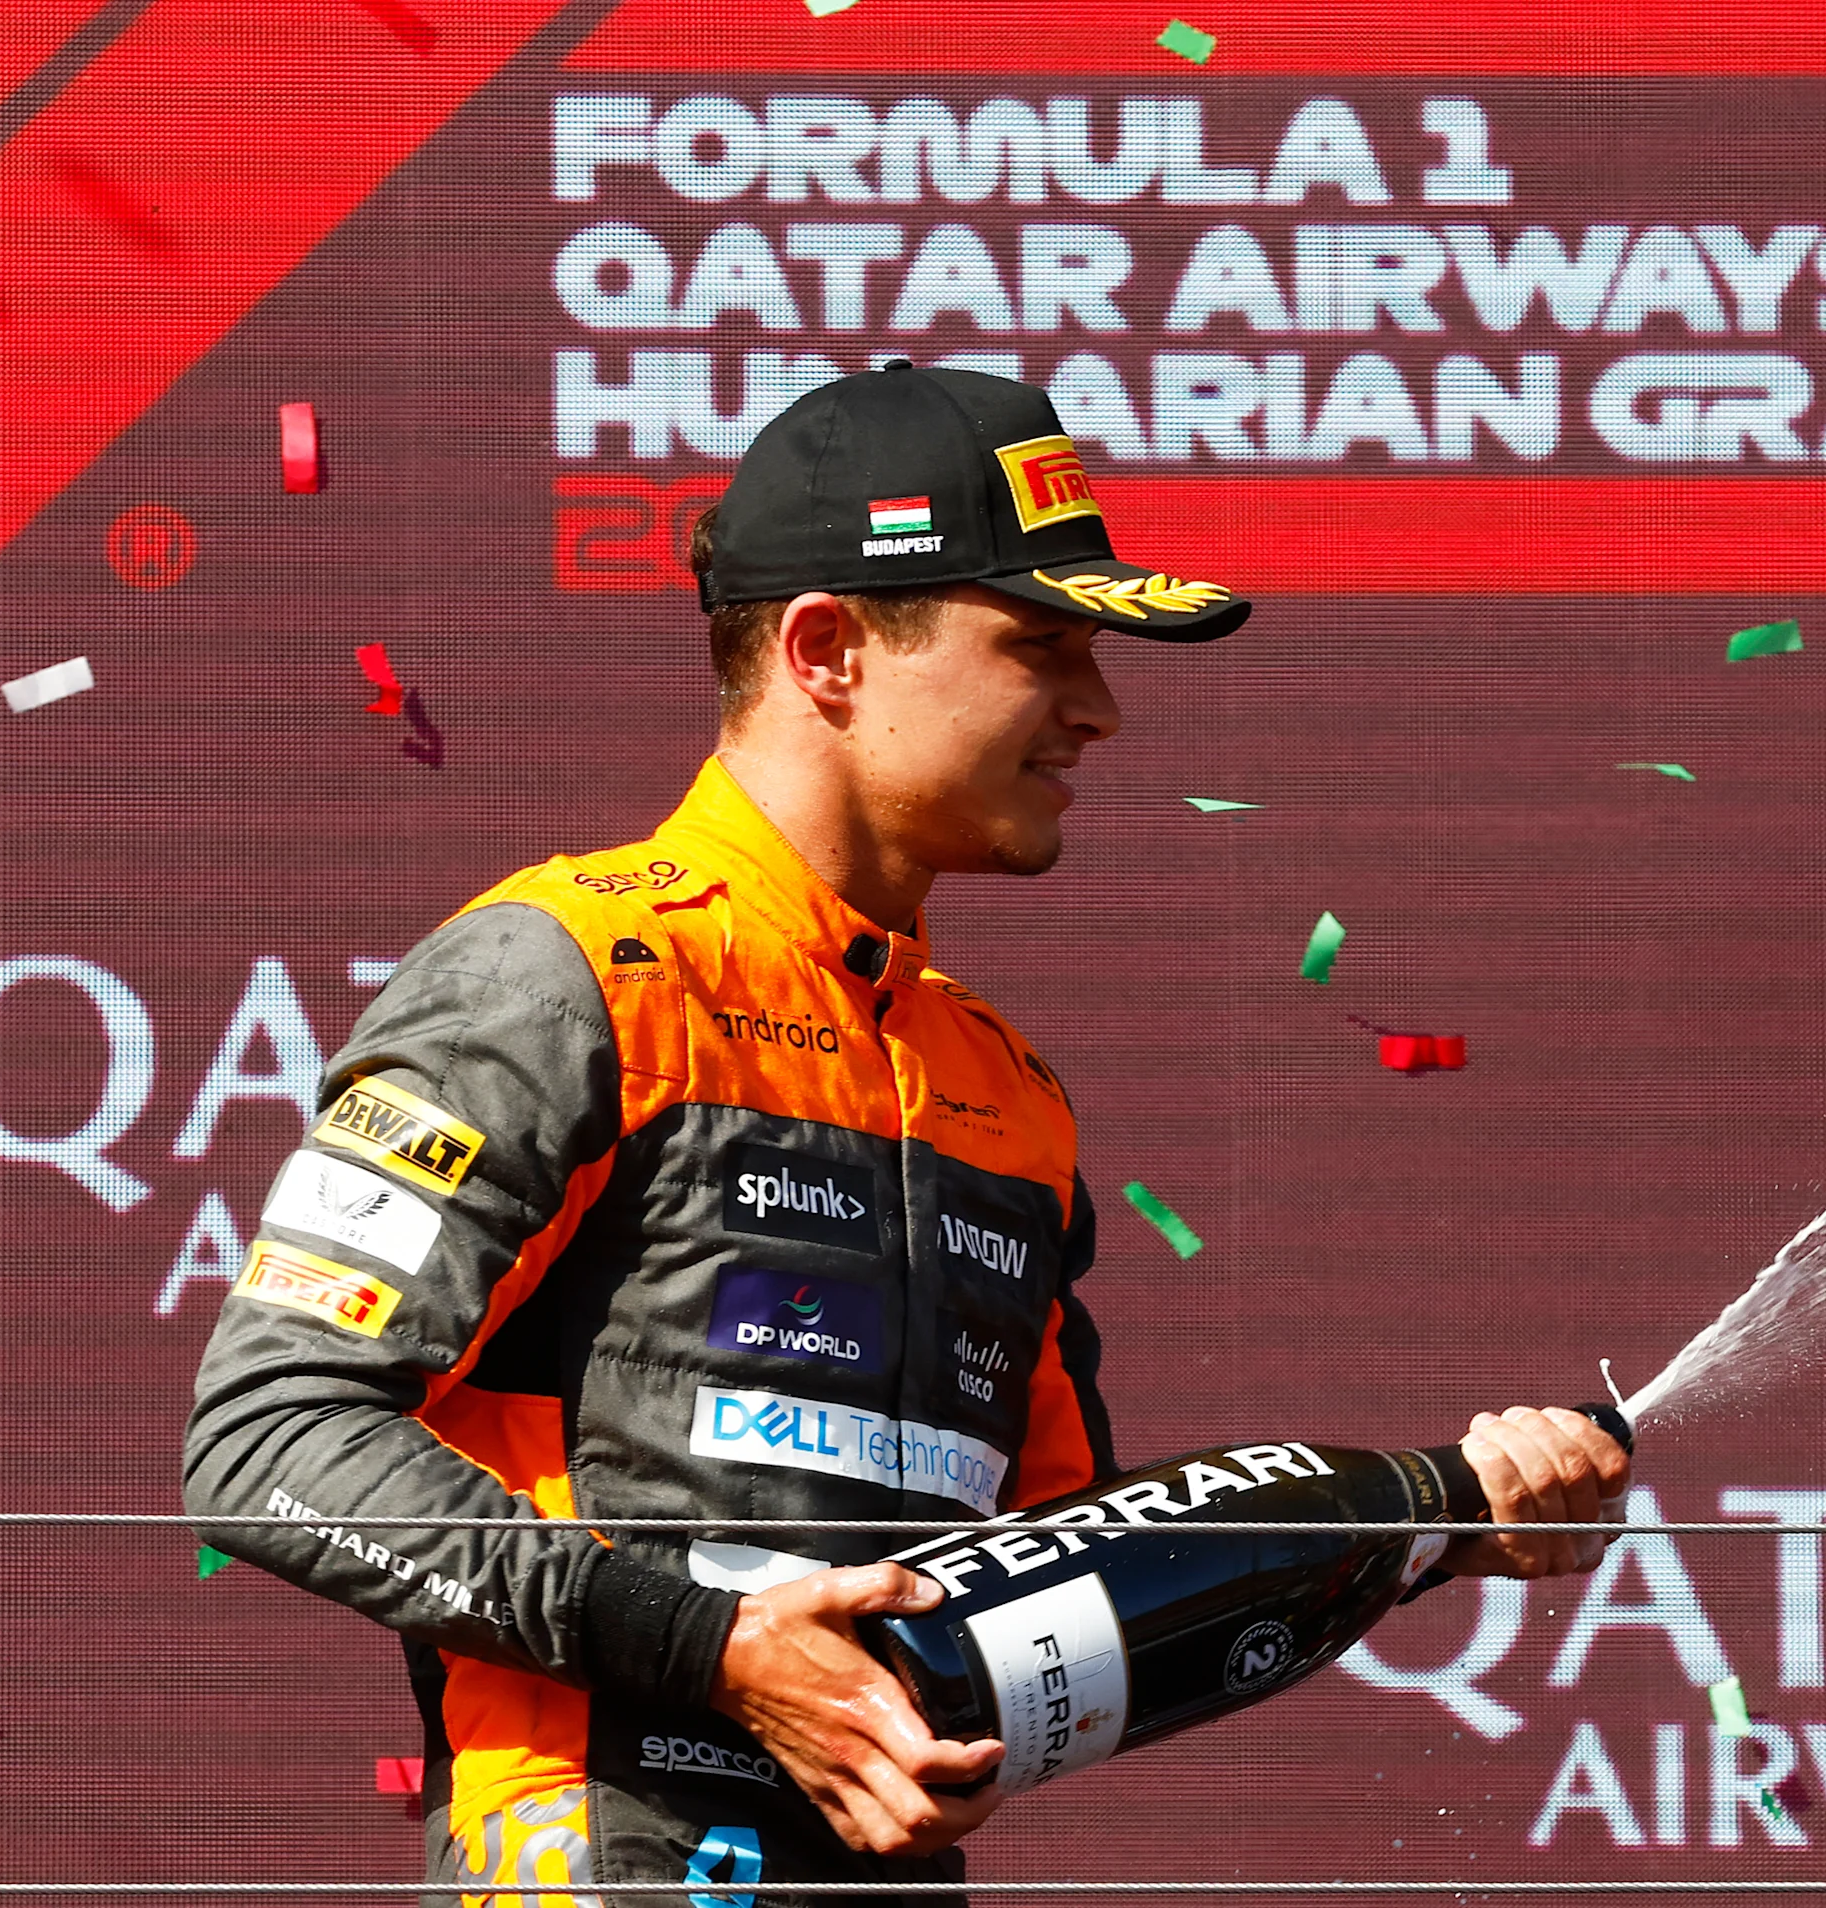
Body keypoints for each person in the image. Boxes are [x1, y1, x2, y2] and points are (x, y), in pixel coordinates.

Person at [182, 362, 1634, 1900]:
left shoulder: (1006, 1088)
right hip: (589, 1856)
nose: (1100, 709)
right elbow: (269, 1440)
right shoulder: (571, 975)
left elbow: (1068, 1575)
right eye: (1042, 647)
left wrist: (1429, 1526)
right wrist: (718, 1651)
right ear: (830, 650)